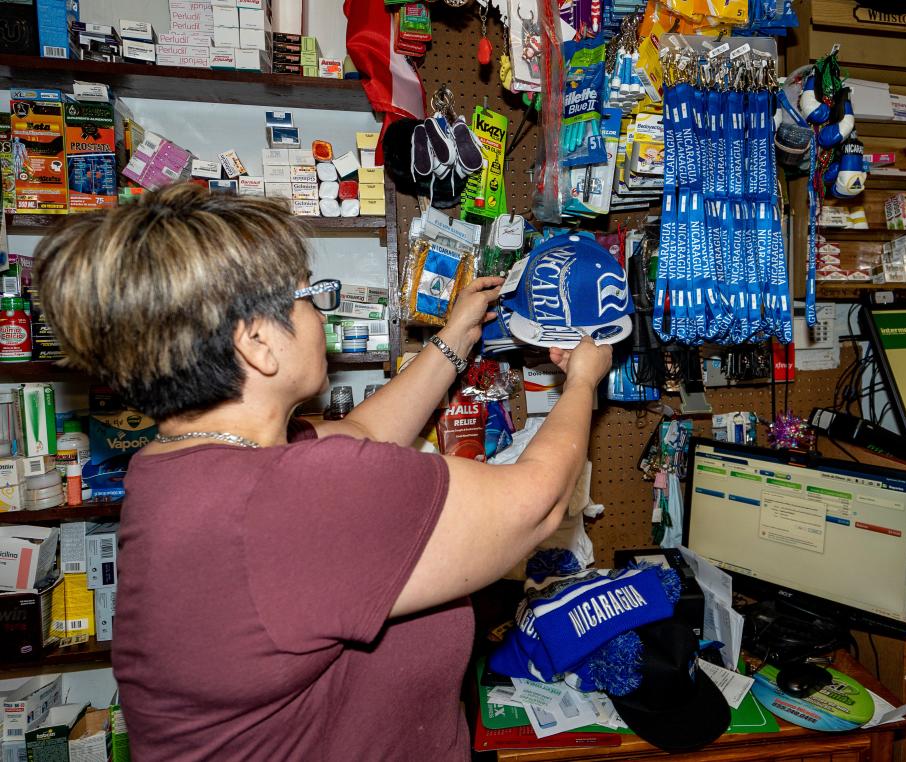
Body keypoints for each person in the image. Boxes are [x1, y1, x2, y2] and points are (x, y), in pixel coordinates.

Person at [35, 183, 612, 760]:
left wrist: (455, 337)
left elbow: (363, 431)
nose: (319, 310)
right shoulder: (283, 496)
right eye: (306, 294)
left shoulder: (181, 465)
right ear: (258, 342)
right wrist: (582, 380)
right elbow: (535, 503)